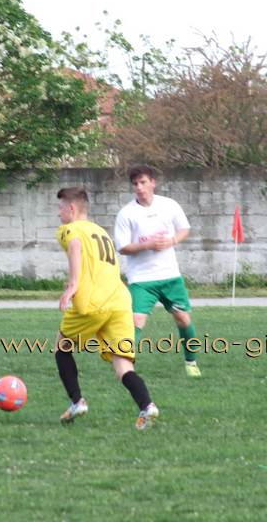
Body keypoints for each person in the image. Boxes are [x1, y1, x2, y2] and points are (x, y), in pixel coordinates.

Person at [54, 187, 159, 430]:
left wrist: (73, 284)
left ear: (71, 208)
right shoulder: (100, 231)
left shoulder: (70, 229)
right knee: (123, 365)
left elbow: (75, 245)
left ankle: (77, 402)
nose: (58, 213)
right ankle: (147, 406)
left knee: (61, 347)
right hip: (120, 301)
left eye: (60, 208)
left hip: (93, 302)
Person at [114, 165, 201, 378]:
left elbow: (184, 229)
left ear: (153, 182)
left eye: (143, 182)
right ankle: (127, 366)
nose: (139, 187)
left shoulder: (169, 205)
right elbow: (122, 247)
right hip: (141, 279)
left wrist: (171, 240)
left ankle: (191, 363)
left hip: (170, 276)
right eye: (135, 184)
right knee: (135, 321)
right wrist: (147, 245)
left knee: (183, 319)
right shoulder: (126, 213)